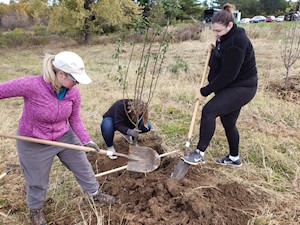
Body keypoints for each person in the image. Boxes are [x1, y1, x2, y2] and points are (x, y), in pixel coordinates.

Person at [0, 51, 116, 225]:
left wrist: (87, 141)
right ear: (60, 74)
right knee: (37, 181)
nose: (77, 83)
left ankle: (95, 193)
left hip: (63, 136)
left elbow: (75, 119)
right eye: (74, 79)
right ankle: (35, 210)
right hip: (33, 140)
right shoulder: (31, 85)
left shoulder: (73, 93)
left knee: (83, 166)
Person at [181, 3, 258, 167]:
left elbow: (228, 75)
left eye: (218, 31)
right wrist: (213, 53)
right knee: (228, 122)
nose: (216, 35)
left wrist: (205, 91)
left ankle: (199, 153)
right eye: (214, 31)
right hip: (230, 85)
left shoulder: (237, 42)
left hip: (243, 87)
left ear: (230, 25)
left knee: (209, 111)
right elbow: (217, 65)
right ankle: (234, 158)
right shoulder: (224, 38)